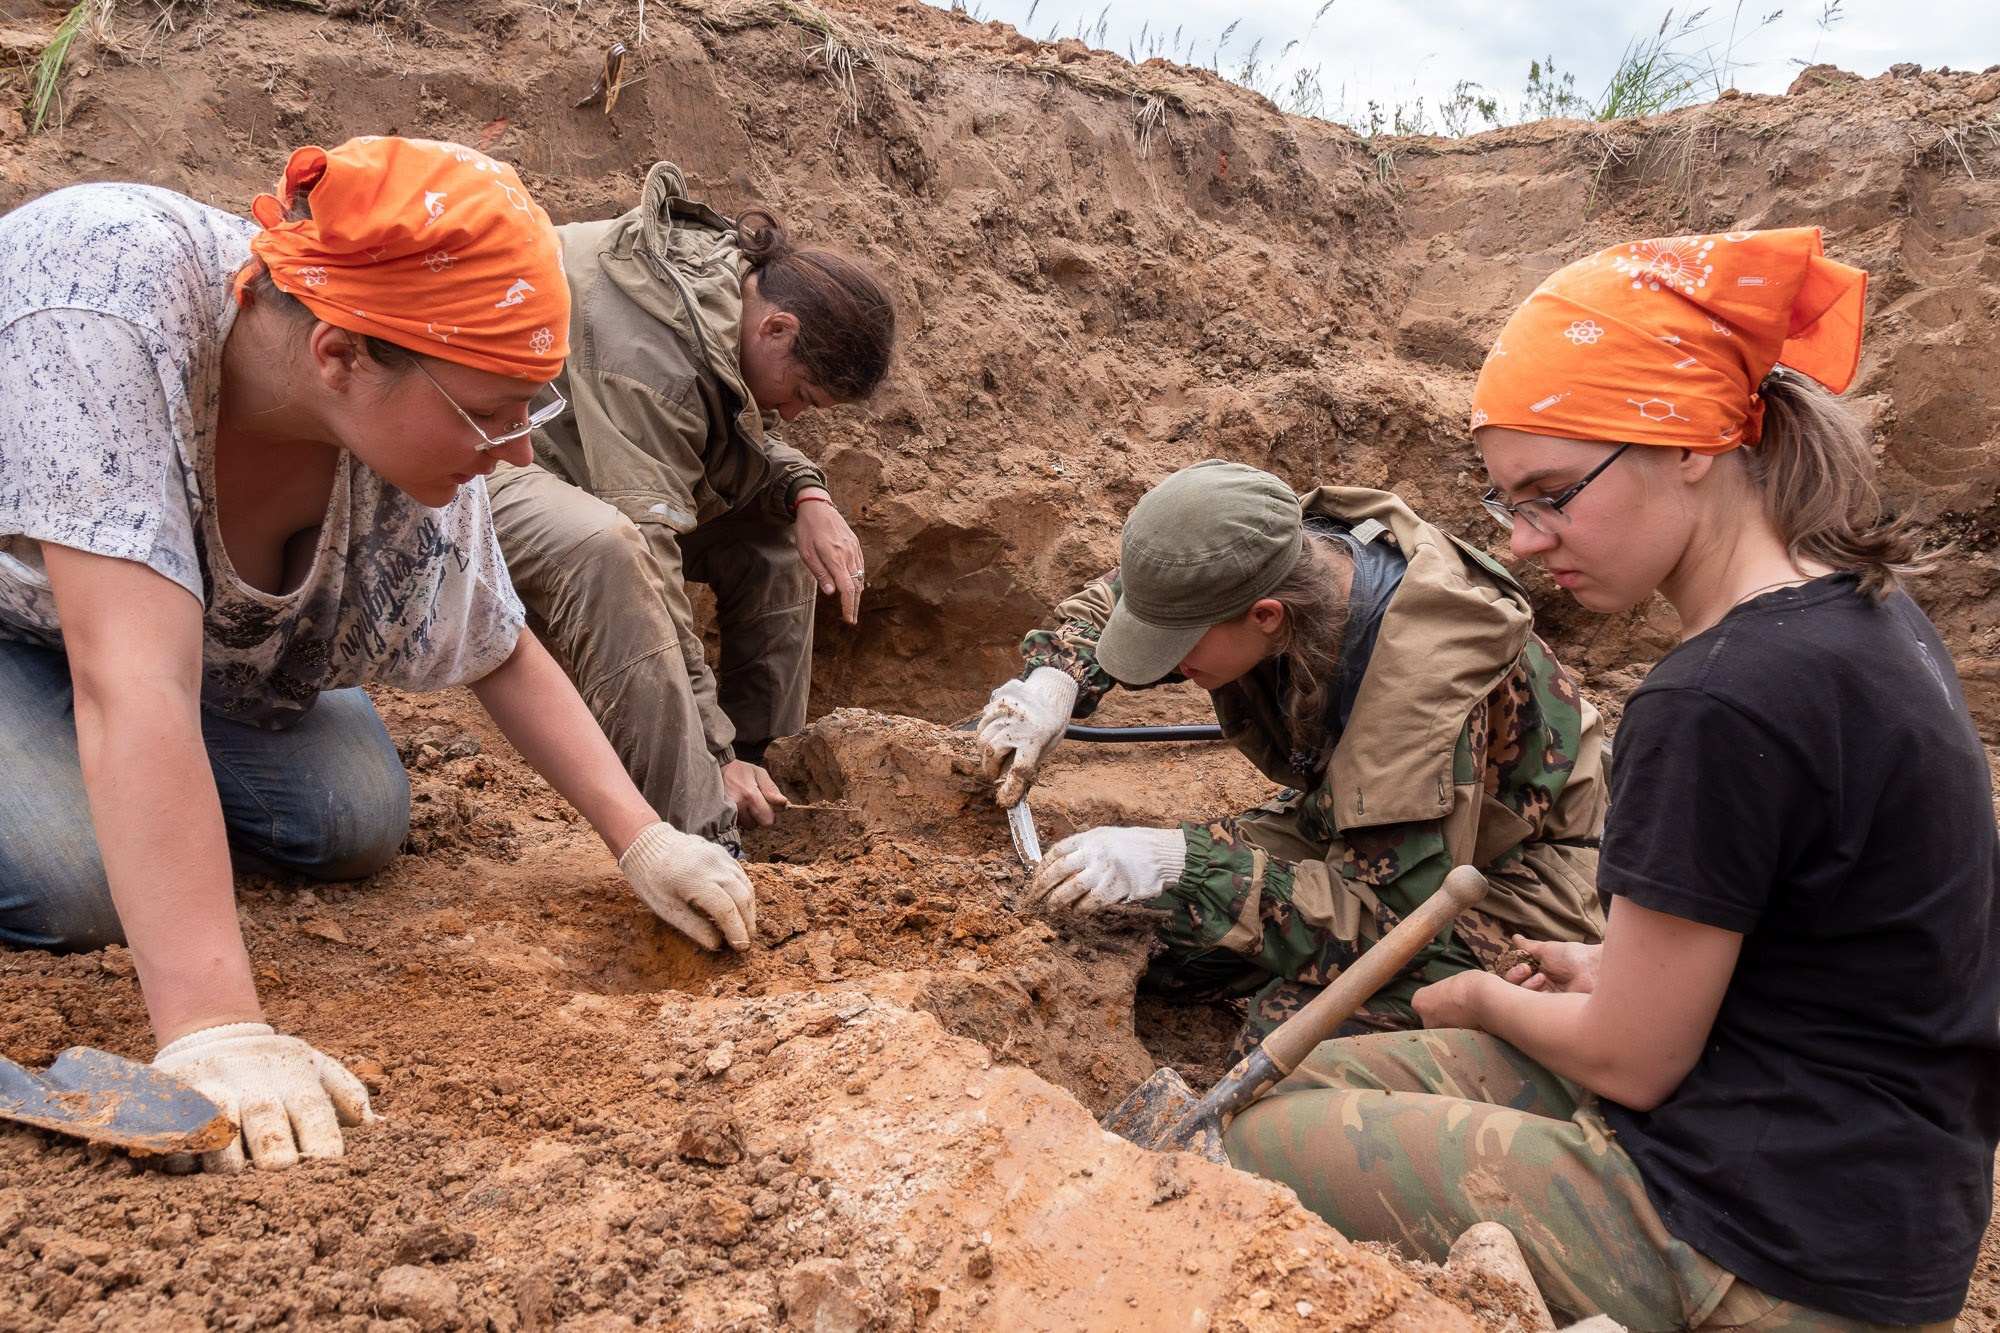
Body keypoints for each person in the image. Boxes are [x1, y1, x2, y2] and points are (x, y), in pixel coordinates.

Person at [1224, 229, 2000, 1331]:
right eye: (1506, 505)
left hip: (1757, 1235)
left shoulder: (1716, 697)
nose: (1528, 542)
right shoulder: (1865, 621)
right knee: (1314, 1078)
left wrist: (1478, 992)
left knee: (1254, 1131)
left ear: (1687, 441)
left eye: (1549, 494)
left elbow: (1631, 1062)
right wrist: (1610, 965)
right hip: (1870, 1188)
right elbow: (1839, 953)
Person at [0, 138, 758, 1174]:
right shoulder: (104, 301)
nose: (521, 450)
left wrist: (642, 838)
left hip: (172, 654)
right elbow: (130, 676)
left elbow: (496, 641)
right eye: (492, 413)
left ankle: (96, 778)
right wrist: (216, 1026)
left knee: (355, 814)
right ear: (340, 356)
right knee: (73, 886)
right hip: (34, 626)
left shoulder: (394, 405)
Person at [976, 459, 1608, 1048]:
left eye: (1177, 648)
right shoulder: (1276, 549)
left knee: (1293, 1038)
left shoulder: (1410, 703)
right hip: (1365, 814)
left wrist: (1184, 863)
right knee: (1142, 932)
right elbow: (1148, 593)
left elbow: (1388, 924)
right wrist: (1053, 683)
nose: (1164, 666)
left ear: (1266, 617)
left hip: (1519, 871)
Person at [487, 161, 896, 853]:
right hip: (474, 467)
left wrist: (807, 493)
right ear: (779, 330)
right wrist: (711, 746)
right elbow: (648, 554)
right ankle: (700, 821)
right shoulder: (648, 356)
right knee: (614, 548)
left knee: (772, 545)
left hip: (587, 456)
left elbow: (737, 435)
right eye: (802, 394)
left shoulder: (727, 284)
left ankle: (759, 770)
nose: (792, 414)